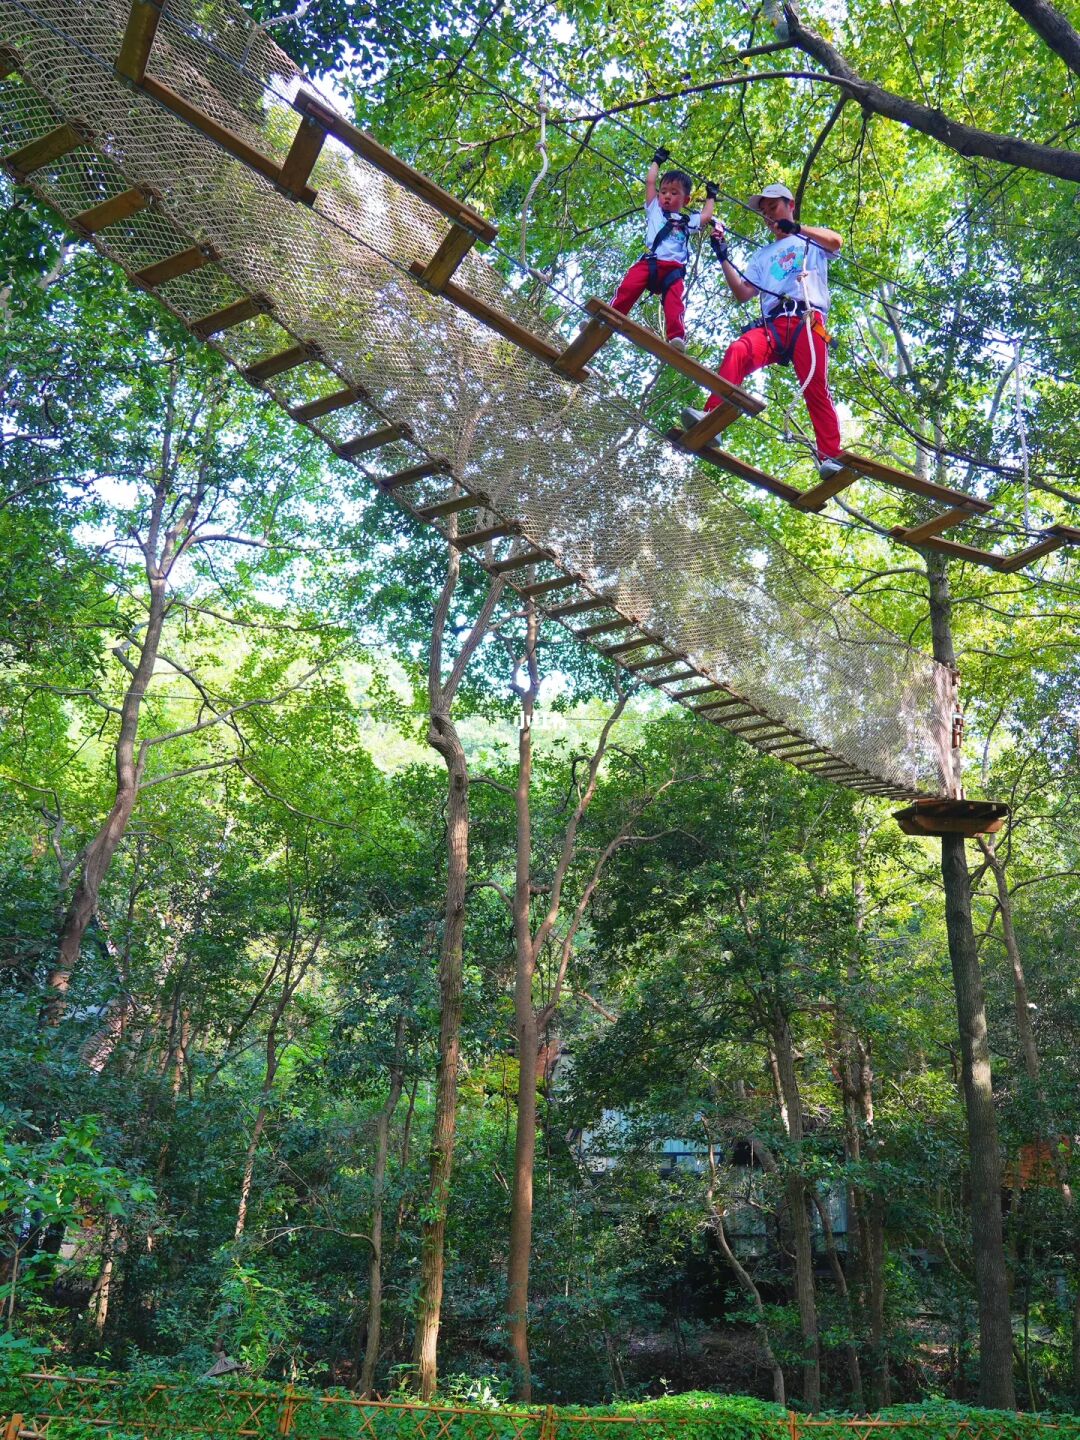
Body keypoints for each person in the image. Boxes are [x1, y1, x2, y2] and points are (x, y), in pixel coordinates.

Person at [682, 182, 845, 480]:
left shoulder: (809, 240)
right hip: (773, 324)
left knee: (816, 387)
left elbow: (836, 242)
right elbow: (743, 292)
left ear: (790, 204)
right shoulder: (762, 256)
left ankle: (831, 456)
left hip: (806, 320)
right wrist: (723, 256)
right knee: (738, 350)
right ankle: (713, 417)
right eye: (765, 212)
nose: (769, 216)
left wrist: (797, 228)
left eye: (774, 208)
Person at [610, 146, 717, 352]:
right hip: (651, 263)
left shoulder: (688, 221)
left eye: (674, 193)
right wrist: (656, 162)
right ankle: (610, 314)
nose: (667, 196)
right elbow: (650, 182)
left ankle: (677, 338)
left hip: (673, 271)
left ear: (686, 200)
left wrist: (711, 196)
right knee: (628, 287)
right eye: (664, 192)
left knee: (675, 304)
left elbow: (706, 216)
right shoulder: (654, 210)